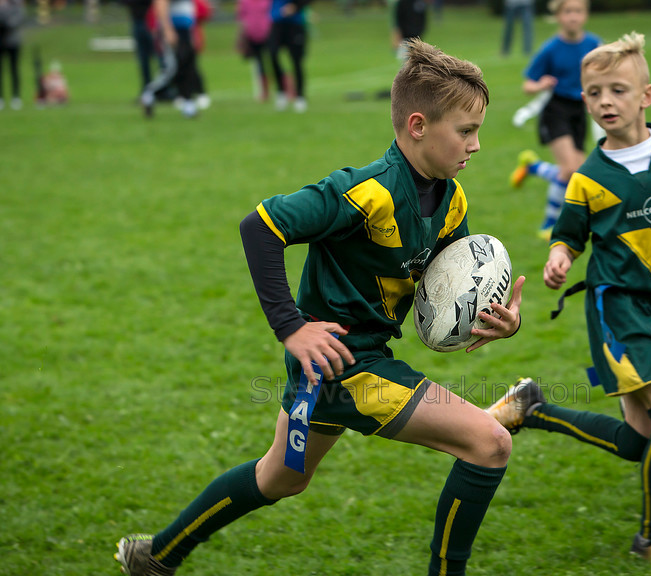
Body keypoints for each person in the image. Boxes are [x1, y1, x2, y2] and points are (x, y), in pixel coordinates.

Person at [114, 38, 525, 576]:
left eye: (478, 132)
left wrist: (493, 319)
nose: (475, 145)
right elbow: (260, 225)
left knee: (281, 476)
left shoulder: (453, 198)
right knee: (489, 443)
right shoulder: (364, 191)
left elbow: (449, 286)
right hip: (342, 363)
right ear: (418, 126)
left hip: (343, 361)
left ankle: (156, 555)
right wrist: (292, 327)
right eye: (466, 131)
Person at [487, 32, 651, 564]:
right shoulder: (588, 177)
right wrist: (558, 258)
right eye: (594, 94)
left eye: (617, 90)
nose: (604, 103)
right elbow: (568, 235)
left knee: (638, 443)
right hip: (617, 308)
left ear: (646, 95)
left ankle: (533, 408)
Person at [509, 0, 600, 238]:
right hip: (555, 109)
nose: (573, 17)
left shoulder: (594, 45)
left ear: (585, 15)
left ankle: (533, 167)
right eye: (568, 11)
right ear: (558, 16)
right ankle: (548, 224)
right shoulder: (550, 49)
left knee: (577, 174)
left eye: (578, 11)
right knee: (570, 169)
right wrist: (540, 84)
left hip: (580, 111)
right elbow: (527, 85)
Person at [140, 0, 203, 118]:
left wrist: (193, 32)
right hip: (174, 30)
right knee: (172, 69)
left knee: (187, 67)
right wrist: (168, 29)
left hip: (185, 30)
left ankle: (188, 104)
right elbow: (160, 4)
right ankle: (149, 94)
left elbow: (189, 9)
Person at [268, 0, 309, 112]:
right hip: (276, 23)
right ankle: (281, 92)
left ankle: (300, 96)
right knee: (273, 54)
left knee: (296, 60)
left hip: (295, 24)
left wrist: (295, 6)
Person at [236, 0, 272, 101]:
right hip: (252, 35)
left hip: (268, 33)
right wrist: (241, 37)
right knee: (259, 63)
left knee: (274, 60)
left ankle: (285, 88)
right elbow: (241, 17)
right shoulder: (244, 2)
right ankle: (264, 91)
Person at [0, 0, 25, 111]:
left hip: (12, 42)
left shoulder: (15, 5)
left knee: (14, 69)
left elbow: (19, 19)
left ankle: (16, 96)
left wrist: (6, 24)